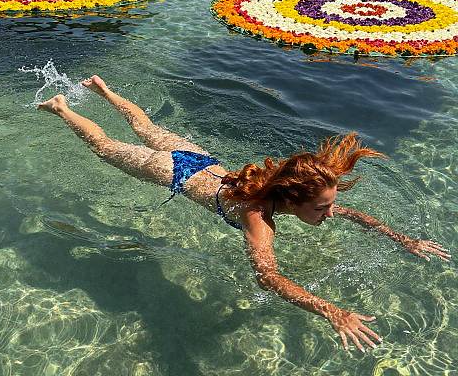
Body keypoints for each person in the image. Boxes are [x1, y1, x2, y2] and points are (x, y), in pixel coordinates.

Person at [38, 75, 451, 352]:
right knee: (106, 148)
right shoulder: (258, 217)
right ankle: (63, 107)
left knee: (145, 128)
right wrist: (331, 310)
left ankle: (105, 91)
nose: (330, 213)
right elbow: (267, 276)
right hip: (174, 170)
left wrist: (404, 239)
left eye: (328, 205)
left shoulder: (290, 195)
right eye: (322, 207)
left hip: (199, 160)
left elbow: (355, 214)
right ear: (293, 200)